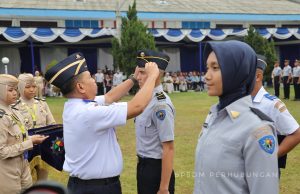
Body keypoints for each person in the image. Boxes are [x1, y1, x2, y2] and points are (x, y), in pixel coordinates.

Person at [44, 52, 159, 194]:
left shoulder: (75, 105)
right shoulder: (88, 113)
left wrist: (133, 79)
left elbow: (109, 97)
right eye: (90, 78)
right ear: (81, 87)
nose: (94, 80)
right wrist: (153, 76)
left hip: (87, 186)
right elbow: (137, 107)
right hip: (97, 188)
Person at [193, 40, 279, 194]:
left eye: (215, 68)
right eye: (207, 68)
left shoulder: (258, 129)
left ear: (237, 71)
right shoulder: (214, 116)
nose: (206, 76)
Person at [252, 55, 300, 176]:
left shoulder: (271, 104)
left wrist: (271, 157)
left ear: (258, 76)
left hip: (264, 171)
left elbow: (296, 134)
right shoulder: (239, 101)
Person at [135, 50, 175, 194]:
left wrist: (164, 188)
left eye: (142, 73)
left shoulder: (160, 105)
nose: (137, 77)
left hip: (156, 169)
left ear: (155, 75)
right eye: (137, 72)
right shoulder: (144, 98)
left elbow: (168, 148)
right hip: (143, 166)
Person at [0, 74, 48, 194]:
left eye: (15, 89)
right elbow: (2, 151)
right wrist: (30, 142)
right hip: (7, 170)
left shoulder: (14, 111)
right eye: (10, 90)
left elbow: (18, 138)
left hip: (23, 165)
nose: (15, 93)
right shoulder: (1, 117)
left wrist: (31, 138)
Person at [13, 73, 56, 182]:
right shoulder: (14, 106)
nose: (32, 90)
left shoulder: (42, 104)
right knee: (27, 181)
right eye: (28, 87)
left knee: (43, 179)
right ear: (20, 87)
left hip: (44, 146)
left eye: (34, 86)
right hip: (27, 147)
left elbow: (52, 123)